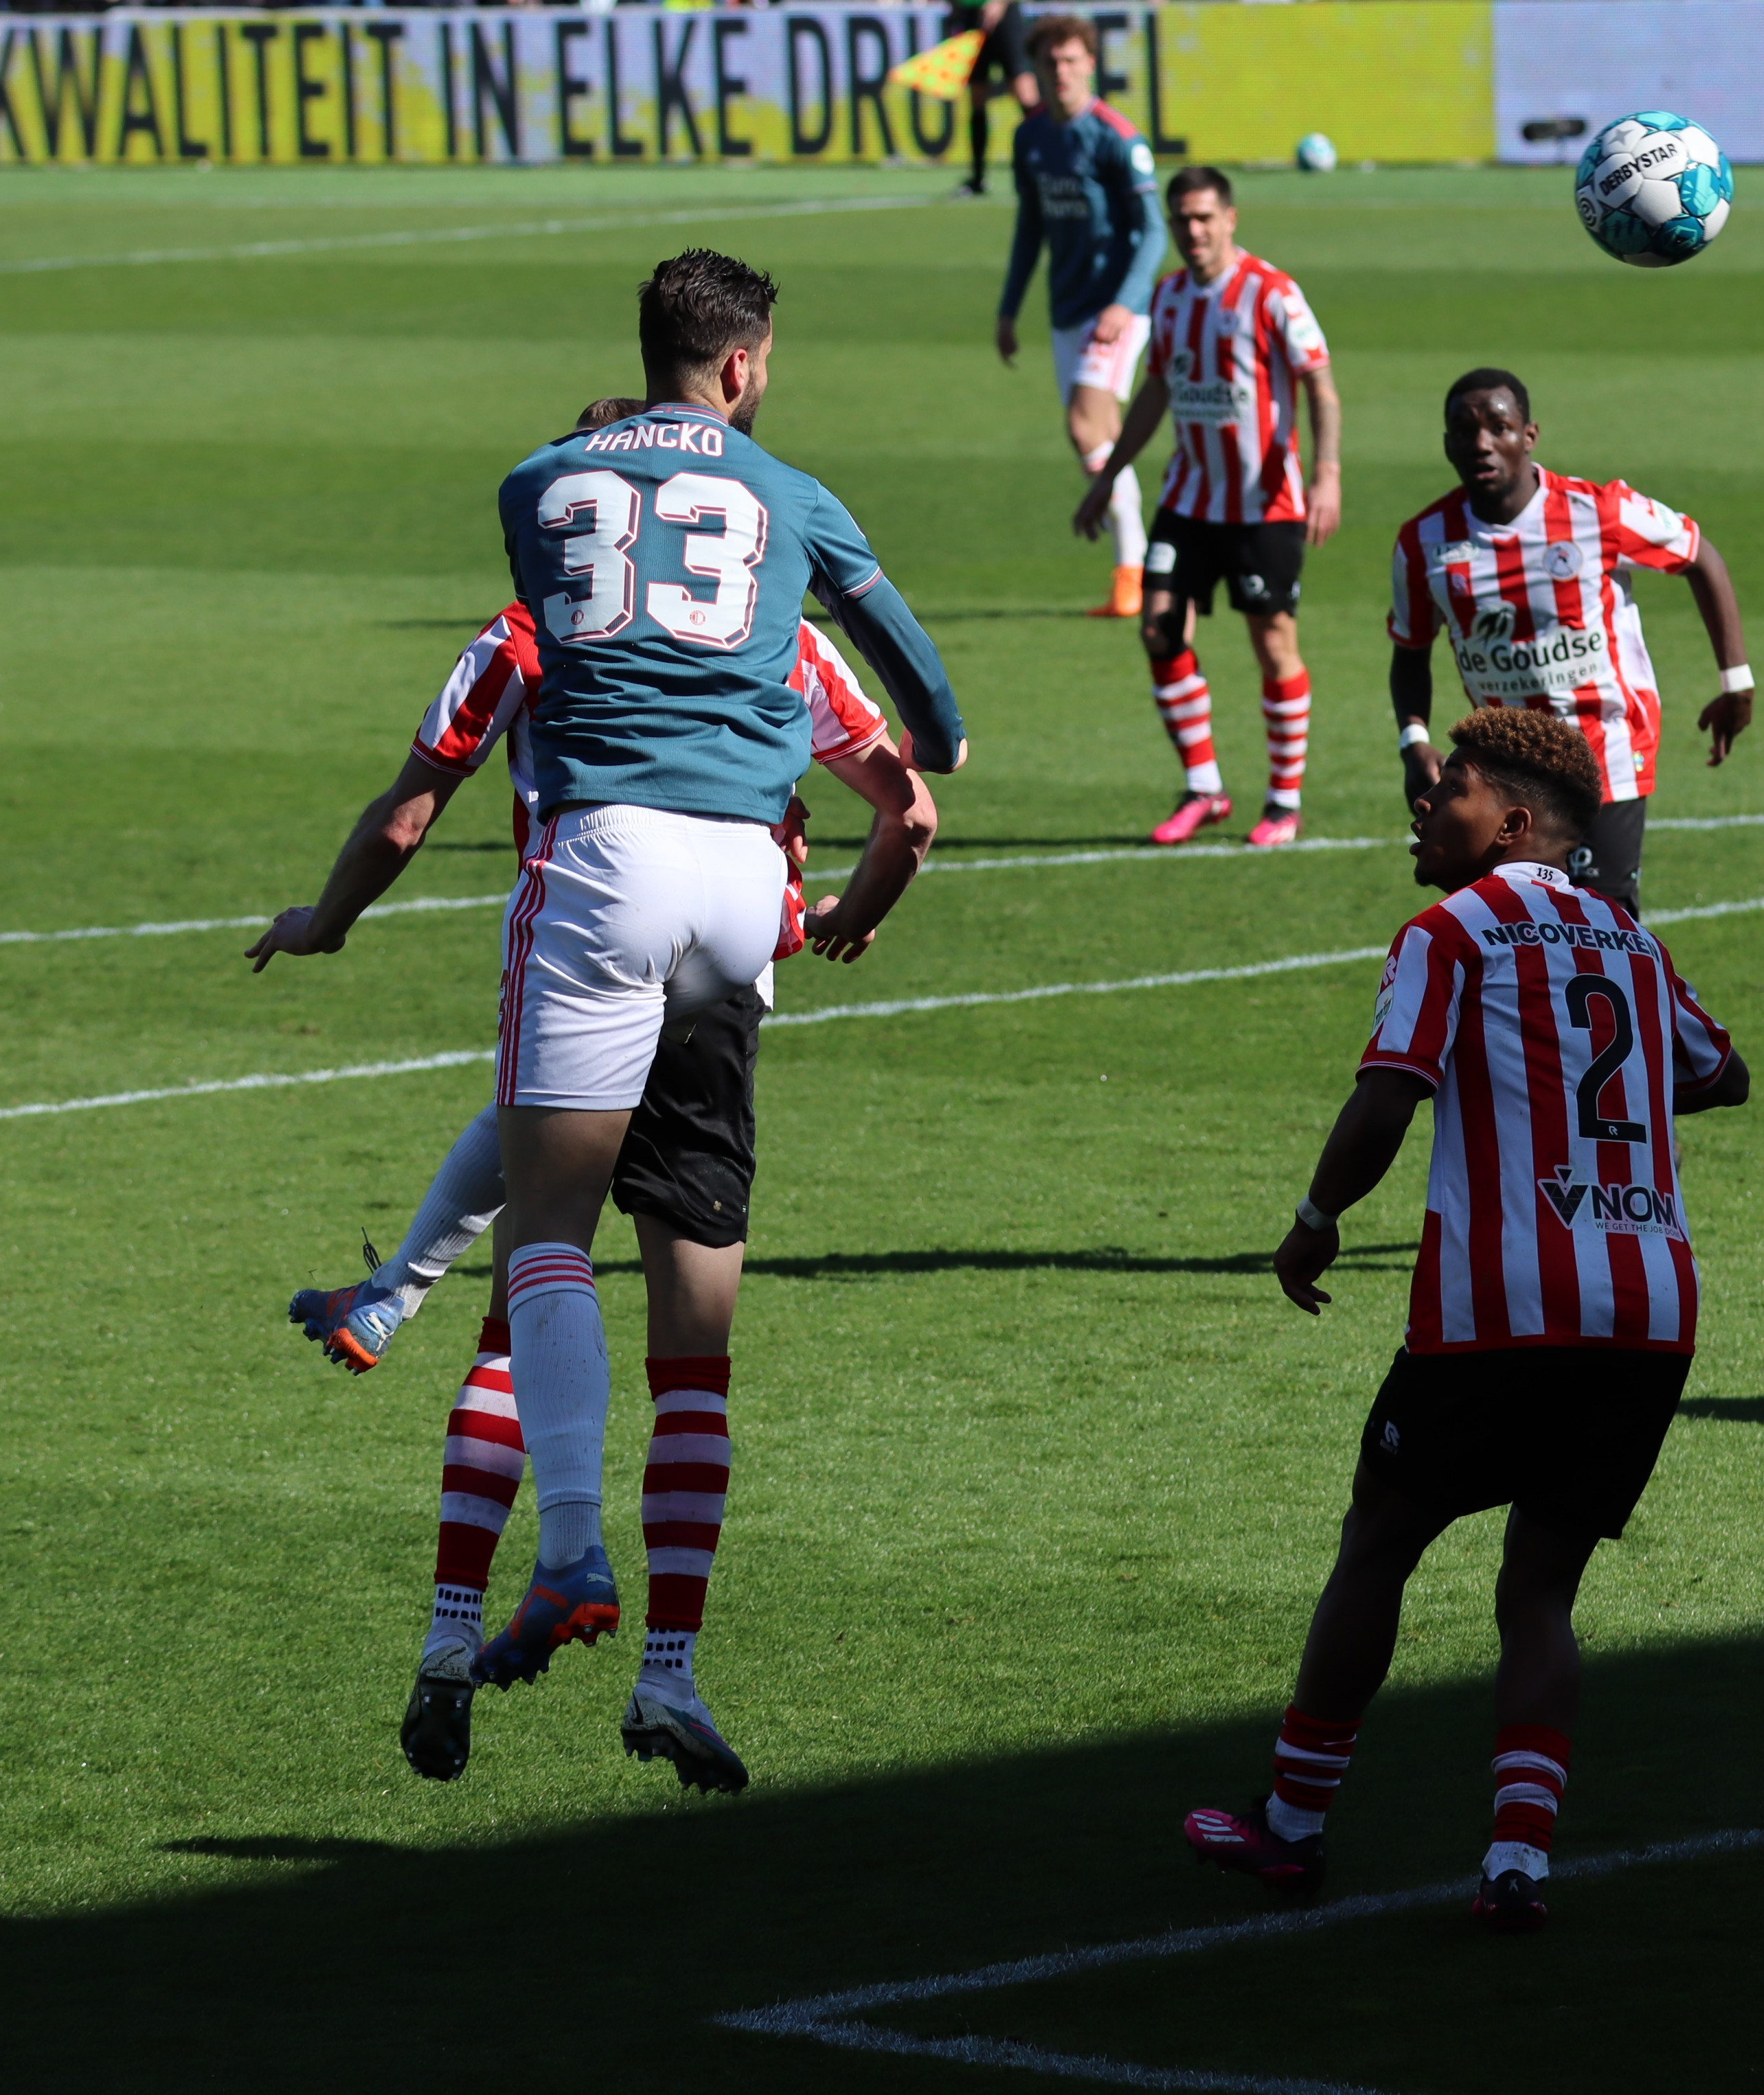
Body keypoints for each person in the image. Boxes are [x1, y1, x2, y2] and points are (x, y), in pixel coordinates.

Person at [252, 252, 965, 1783]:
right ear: (748, 363)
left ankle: (480, 1590)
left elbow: (406, 809)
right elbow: (914, 786)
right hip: (737, 918)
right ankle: (671, 1674)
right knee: (691, 1342)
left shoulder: (535, 573)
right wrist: (855, 906)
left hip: (598, 895)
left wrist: (324, 923)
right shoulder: (783, 583)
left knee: (537, 1277)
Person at [1181, 707, 1749, 1933]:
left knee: (1379, 1541)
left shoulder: (1452, 933)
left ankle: (1289, 1828)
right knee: (1540, 1591)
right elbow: (1720, 1072)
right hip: (1648, 1305)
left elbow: (1389, 1098)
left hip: (1500, 1308)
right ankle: (1519, 1863)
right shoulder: (1636, 948)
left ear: (1516, 820)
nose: (1423, 806)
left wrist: (1315, 1216)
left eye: (1449, 791)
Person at [1388, 369, 1754, 916]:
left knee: (1602, 926)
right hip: (1504, 771)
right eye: (1464, 430)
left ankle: (1648, 1001)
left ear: (1529, 436)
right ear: (1447, 444)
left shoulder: (1598, 512)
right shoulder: (1424, 543)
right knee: (1513, 928)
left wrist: (1736, 681)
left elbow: (1699, 555)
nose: (1481, 443)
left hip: (1603, 753)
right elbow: (1410, 650)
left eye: (1499, 427)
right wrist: (1413, 741)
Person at [1076, 166, 1340, 850]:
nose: (1193, 232)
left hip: (1265, 505)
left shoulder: (1272, 293)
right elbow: (1158, 390)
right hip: (1189, 499)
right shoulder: (1166, 298)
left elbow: (1320, 386)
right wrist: (1109, 476)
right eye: (1182, 220)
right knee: (1160, 631)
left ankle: (1283, 801)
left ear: (1230, 218)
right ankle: (1205, 788)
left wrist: (1328, 473)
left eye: (1204, 218)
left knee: (1272, 644)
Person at [995, 14, 1161, 620]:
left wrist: (1125, 301)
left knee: (1083, 425)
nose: (1060, 72)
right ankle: (1141, 572)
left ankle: (1133, 571)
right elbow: (1029, 228)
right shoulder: (1030, 137)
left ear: (1091, 64)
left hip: (1116, 308)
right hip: (1065, 309)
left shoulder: (1118, 137)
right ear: (1036, 70)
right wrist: (1009, 307)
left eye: (1071, 61)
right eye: (1050, 63)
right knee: (1102, 434)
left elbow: (1153, 232)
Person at [943, 0, 1039, 202]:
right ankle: (978, 177)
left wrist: (999, 3)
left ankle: (1050, 165)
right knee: (977, 97)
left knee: (1023, 90)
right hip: (970, 15)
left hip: (1004, 16)